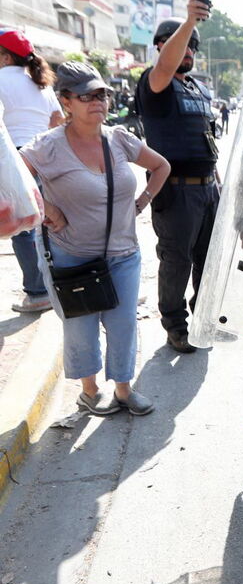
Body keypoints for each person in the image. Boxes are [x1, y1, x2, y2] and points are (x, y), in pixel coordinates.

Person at [20, 62, 170, 415]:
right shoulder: (47, 146)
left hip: (123, 254)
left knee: (123, 325)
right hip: (71, 256)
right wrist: (47, 209)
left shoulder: (119, 138)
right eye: (87, 96)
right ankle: (89, 391)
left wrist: (142, 201)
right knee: (81, 329)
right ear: (66, 102)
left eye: (102, 94)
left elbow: (161, 166)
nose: (98, 102)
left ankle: (123, 390)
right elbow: (13, 179)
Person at [135, 0, 219, 354]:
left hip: (208, 190)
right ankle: (175, 325)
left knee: (208, 260)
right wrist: (189, 23)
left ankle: (202, 319)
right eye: (182, 45)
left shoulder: (198, 88)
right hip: (176, 192)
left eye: (192, 47)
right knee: (177, 262)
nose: (188, 51)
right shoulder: (156, 85)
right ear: (161, 46)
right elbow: (165, 67)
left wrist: (218, 184)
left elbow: (208, 141)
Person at [0, 29, 64, 313]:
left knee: (23, 226)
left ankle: (38, 292)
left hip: (14, 160)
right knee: (46, 222)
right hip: (45, 156)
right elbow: (58, 121)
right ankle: (53, 284)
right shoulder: (42, 85)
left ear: (5, 57)